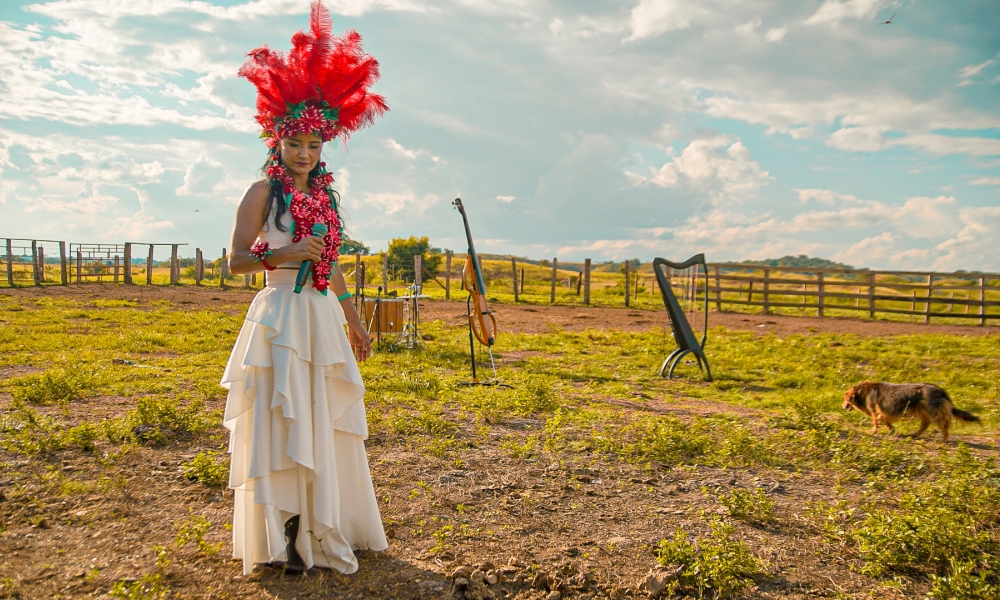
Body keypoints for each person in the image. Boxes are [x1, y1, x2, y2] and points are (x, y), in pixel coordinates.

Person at [220, 1, 389, 575]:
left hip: (320, 319)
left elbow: (332, 264)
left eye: (315, 146)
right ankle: (288, 533)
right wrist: (286, 253)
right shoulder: (261, 194)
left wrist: (355, 317)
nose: (305, 154)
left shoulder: (324, 198)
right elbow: (236, 262)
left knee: (324, 417)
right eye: (296, 144)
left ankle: (326, 523)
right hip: (279, 320)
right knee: (285, 418)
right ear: (277, 142)